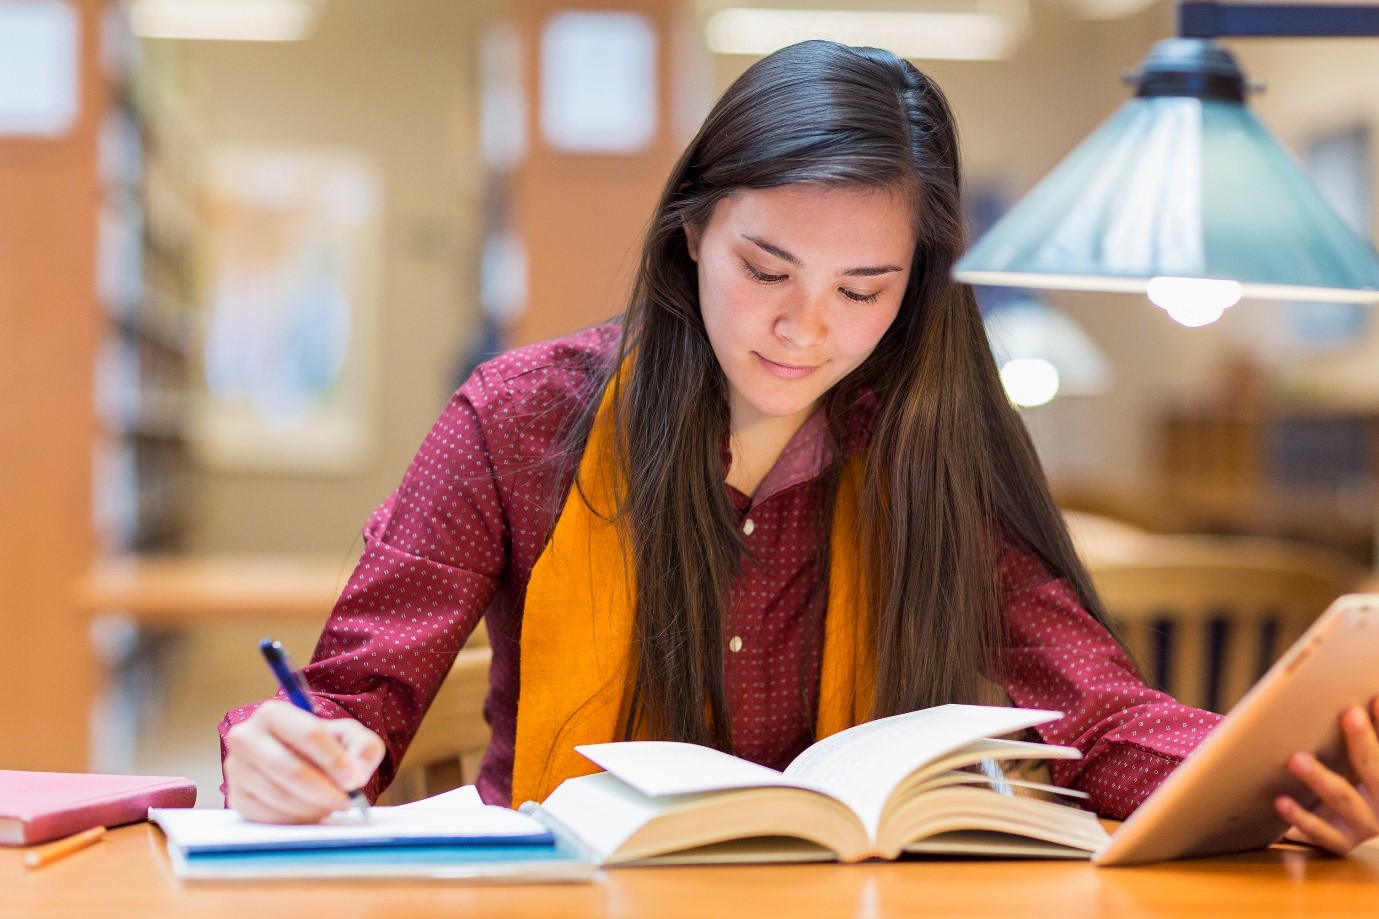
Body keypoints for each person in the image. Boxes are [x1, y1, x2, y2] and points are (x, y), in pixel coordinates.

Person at [220, 40, 1379, 854]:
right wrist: (287, 752)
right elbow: (345, 707)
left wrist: (1291, 772)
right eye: (764, 270)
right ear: (687, 237)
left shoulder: (928, 439)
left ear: (912, 291)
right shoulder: (519, 419)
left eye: (861, 289)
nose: (804, 328)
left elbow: (1101, 713)